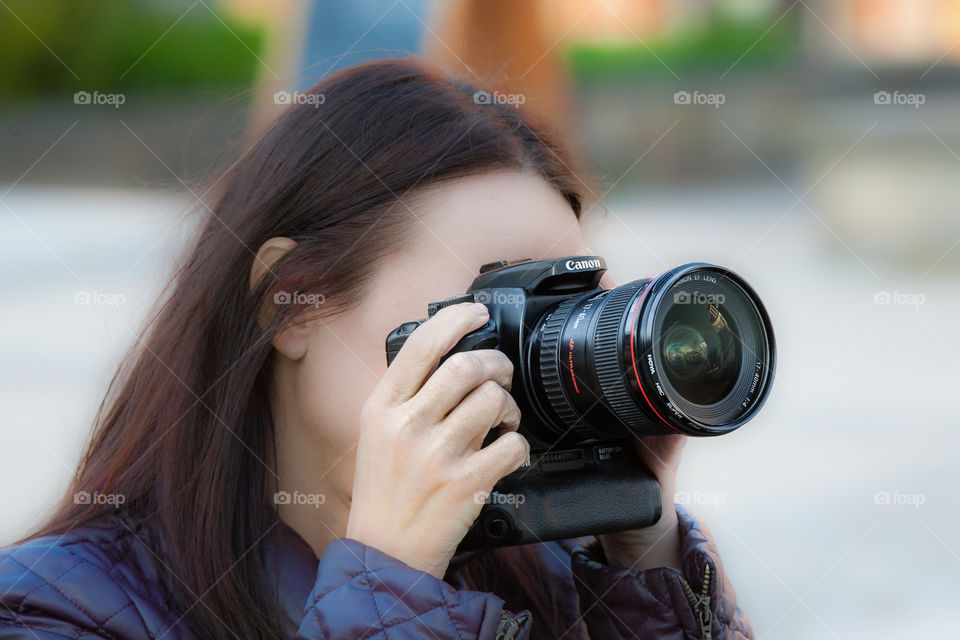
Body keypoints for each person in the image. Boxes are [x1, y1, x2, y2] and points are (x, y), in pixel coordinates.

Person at [0, 59, 753, 640]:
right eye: (497, 303)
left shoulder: (556, 573)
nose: (539, 347)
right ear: (290, 303)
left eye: (565, 304)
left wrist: (645, 556)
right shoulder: (58, 607)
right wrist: (393, 584)